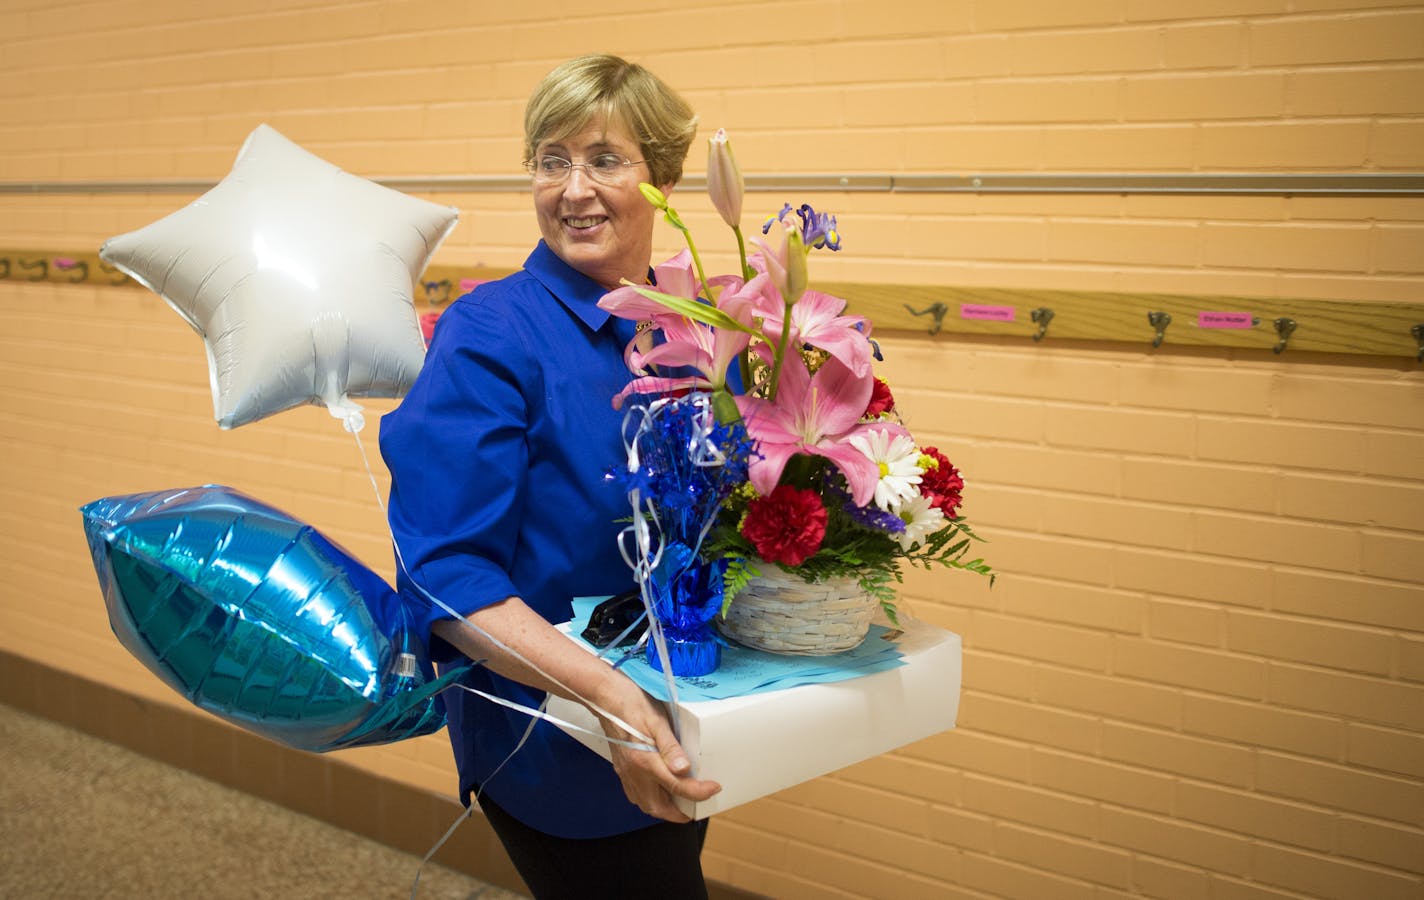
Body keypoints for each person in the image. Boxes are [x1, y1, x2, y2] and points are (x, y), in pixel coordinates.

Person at [379, 54, 720, 899]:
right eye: (551, 160)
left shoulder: (697, 325)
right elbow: (447, 578)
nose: (573, 189)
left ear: (665, 182)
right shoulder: (492, 334)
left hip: (685, 708)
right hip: (557, 737)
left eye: (605, 159)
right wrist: (609, 699)